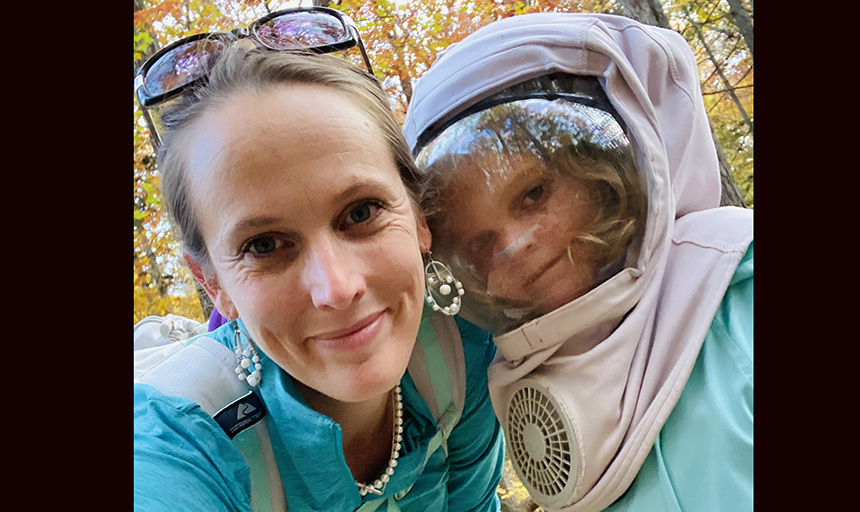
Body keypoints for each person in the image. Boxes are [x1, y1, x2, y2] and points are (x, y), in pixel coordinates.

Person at [133, 7, 504, 511]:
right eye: (264, 245)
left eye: (361, 212)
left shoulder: (462, 349)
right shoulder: (176, 447)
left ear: (419, 215)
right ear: (213, 282)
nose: (338, 287)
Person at [403, 12, 752, 512]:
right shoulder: (515, 370)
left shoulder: (737, 285)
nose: (514, 245)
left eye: (534, 193)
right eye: (480, 242)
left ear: (602, 174)